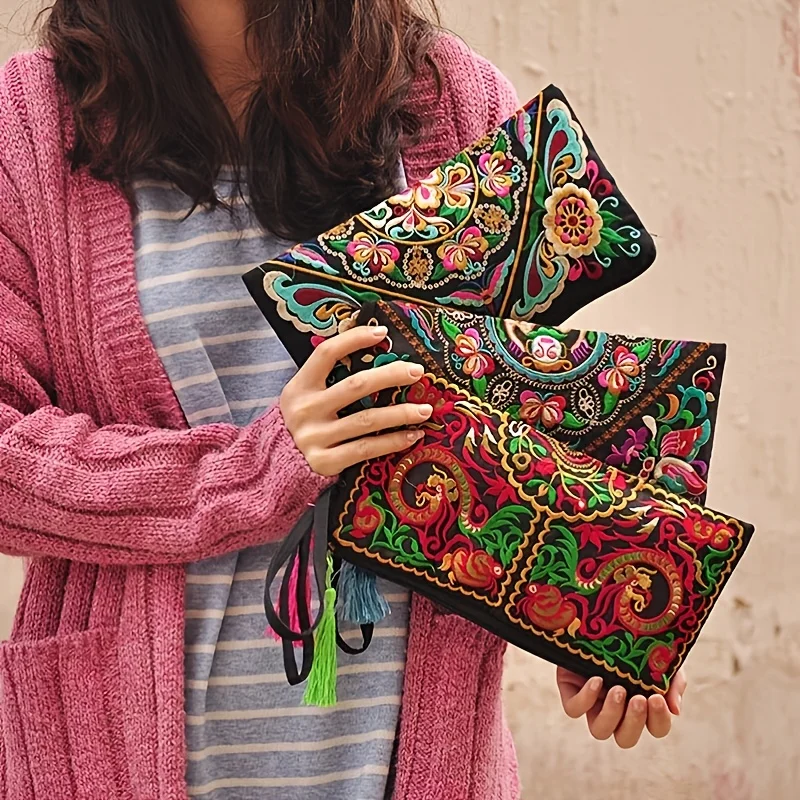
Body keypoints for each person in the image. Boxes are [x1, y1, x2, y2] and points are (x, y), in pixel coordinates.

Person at [0, 1, 687, 798]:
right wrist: (249, 472)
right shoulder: (35, 126)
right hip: (125, 761)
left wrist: (587, 611)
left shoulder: (449, 104)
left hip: (404, 762)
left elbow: (514, 419)